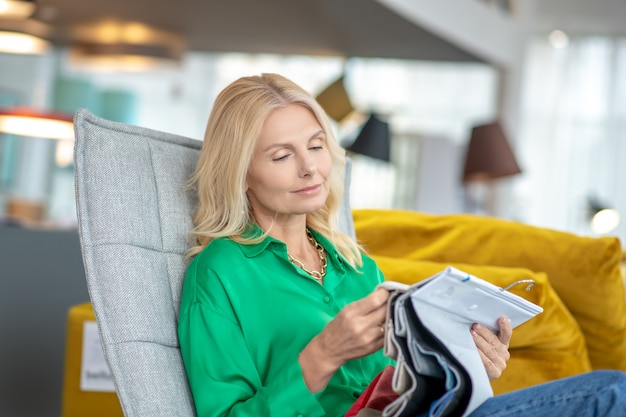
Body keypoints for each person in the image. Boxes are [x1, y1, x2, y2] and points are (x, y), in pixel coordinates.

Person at [177, 73, 626, 417]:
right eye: (281, 156)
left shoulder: (356, 266)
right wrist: (321, 355)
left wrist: (463, 368)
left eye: (316, 146)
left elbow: (395, 391)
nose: (310, 169)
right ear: (239, 172)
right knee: (611, 394)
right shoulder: (219, 273)